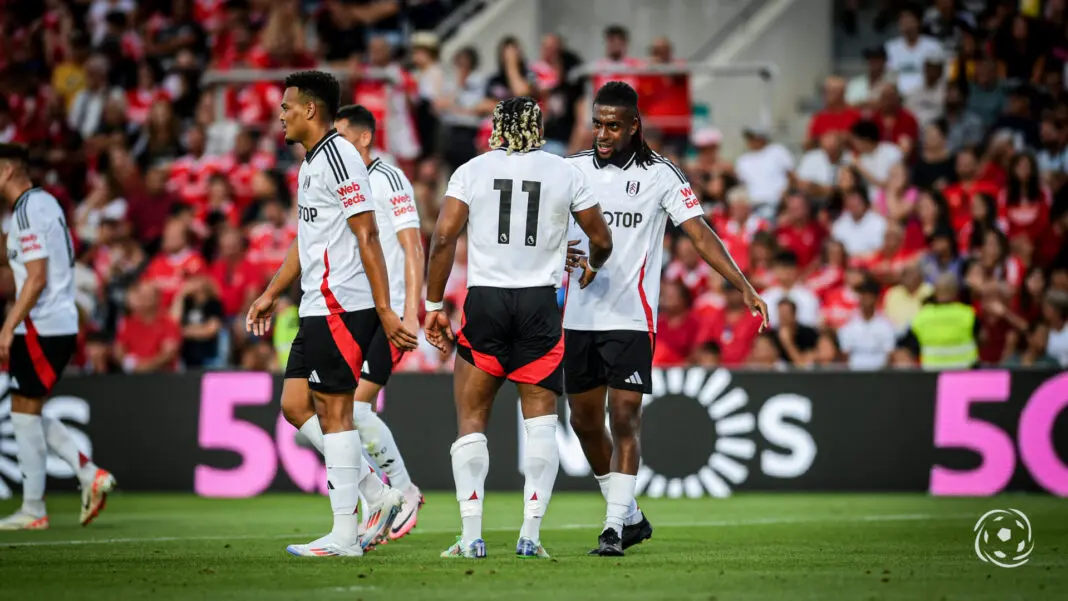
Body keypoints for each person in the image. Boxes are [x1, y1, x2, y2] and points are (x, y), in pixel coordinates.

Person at [562, 82, 769, 556]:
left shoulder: (662, 174)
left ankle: (612, 528)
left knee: (625, 418)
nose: (603, 133)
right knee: (584, 423)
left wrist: (743, 285)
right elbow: (550, 228)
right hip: (579, 315)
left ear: (635, 125)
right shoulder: (570, 170)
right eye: (597, 123)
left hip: (632, 318)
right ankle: (630, 515)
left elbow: (700, 234)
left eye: (613, 125)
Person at [421, 96, 613, 559]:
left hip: (486, 299)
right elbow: (601, 238)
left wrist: (432, 304)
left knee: (471, 419)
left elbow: (444, 236)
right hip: (539, 303)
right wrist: (589, 266)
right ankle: (530, 535)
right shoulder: (566, 171)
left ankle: (471, 538)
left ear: (497, 127)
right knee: (541, 420)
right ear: (539, 126)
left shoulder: (472, 169)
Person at [245, 71, 417, 558]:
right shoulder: (312, 163)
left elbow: (368, 234)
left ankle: (345, 536)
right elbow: (306, 245)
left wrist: (385, 310)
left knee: (337, 413)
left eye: (286, 106)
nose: (280, 115)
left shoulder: (340, 156)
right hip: (315, 304)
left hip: (342, 302)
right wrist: (271, 293)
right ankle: (378, 494)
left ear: (311, 110)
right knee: (295, 407)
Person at [0, 143, 116, 530]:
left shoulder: (28, 210)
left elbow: (36, 277)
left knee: (24, 412)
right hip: (52, 323)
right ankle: (86, 474)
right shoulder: (40, 204)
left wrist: (7, 324)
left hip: (40, 325)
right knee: (25, 412)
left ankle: (35, 509)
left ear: (6, 172)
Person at [333, 104, 424, 544]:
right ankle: (381, 496)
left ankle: (402, 492)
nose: (333, 146)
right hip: (355, 310)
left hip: (389, 315)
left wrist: (411, 311)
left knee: (356, 408)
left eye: (341, 136)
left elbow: (412, 247)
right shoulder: (345, 183)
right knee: (341, 410)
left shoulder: (388, 179)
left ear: (364, 138)